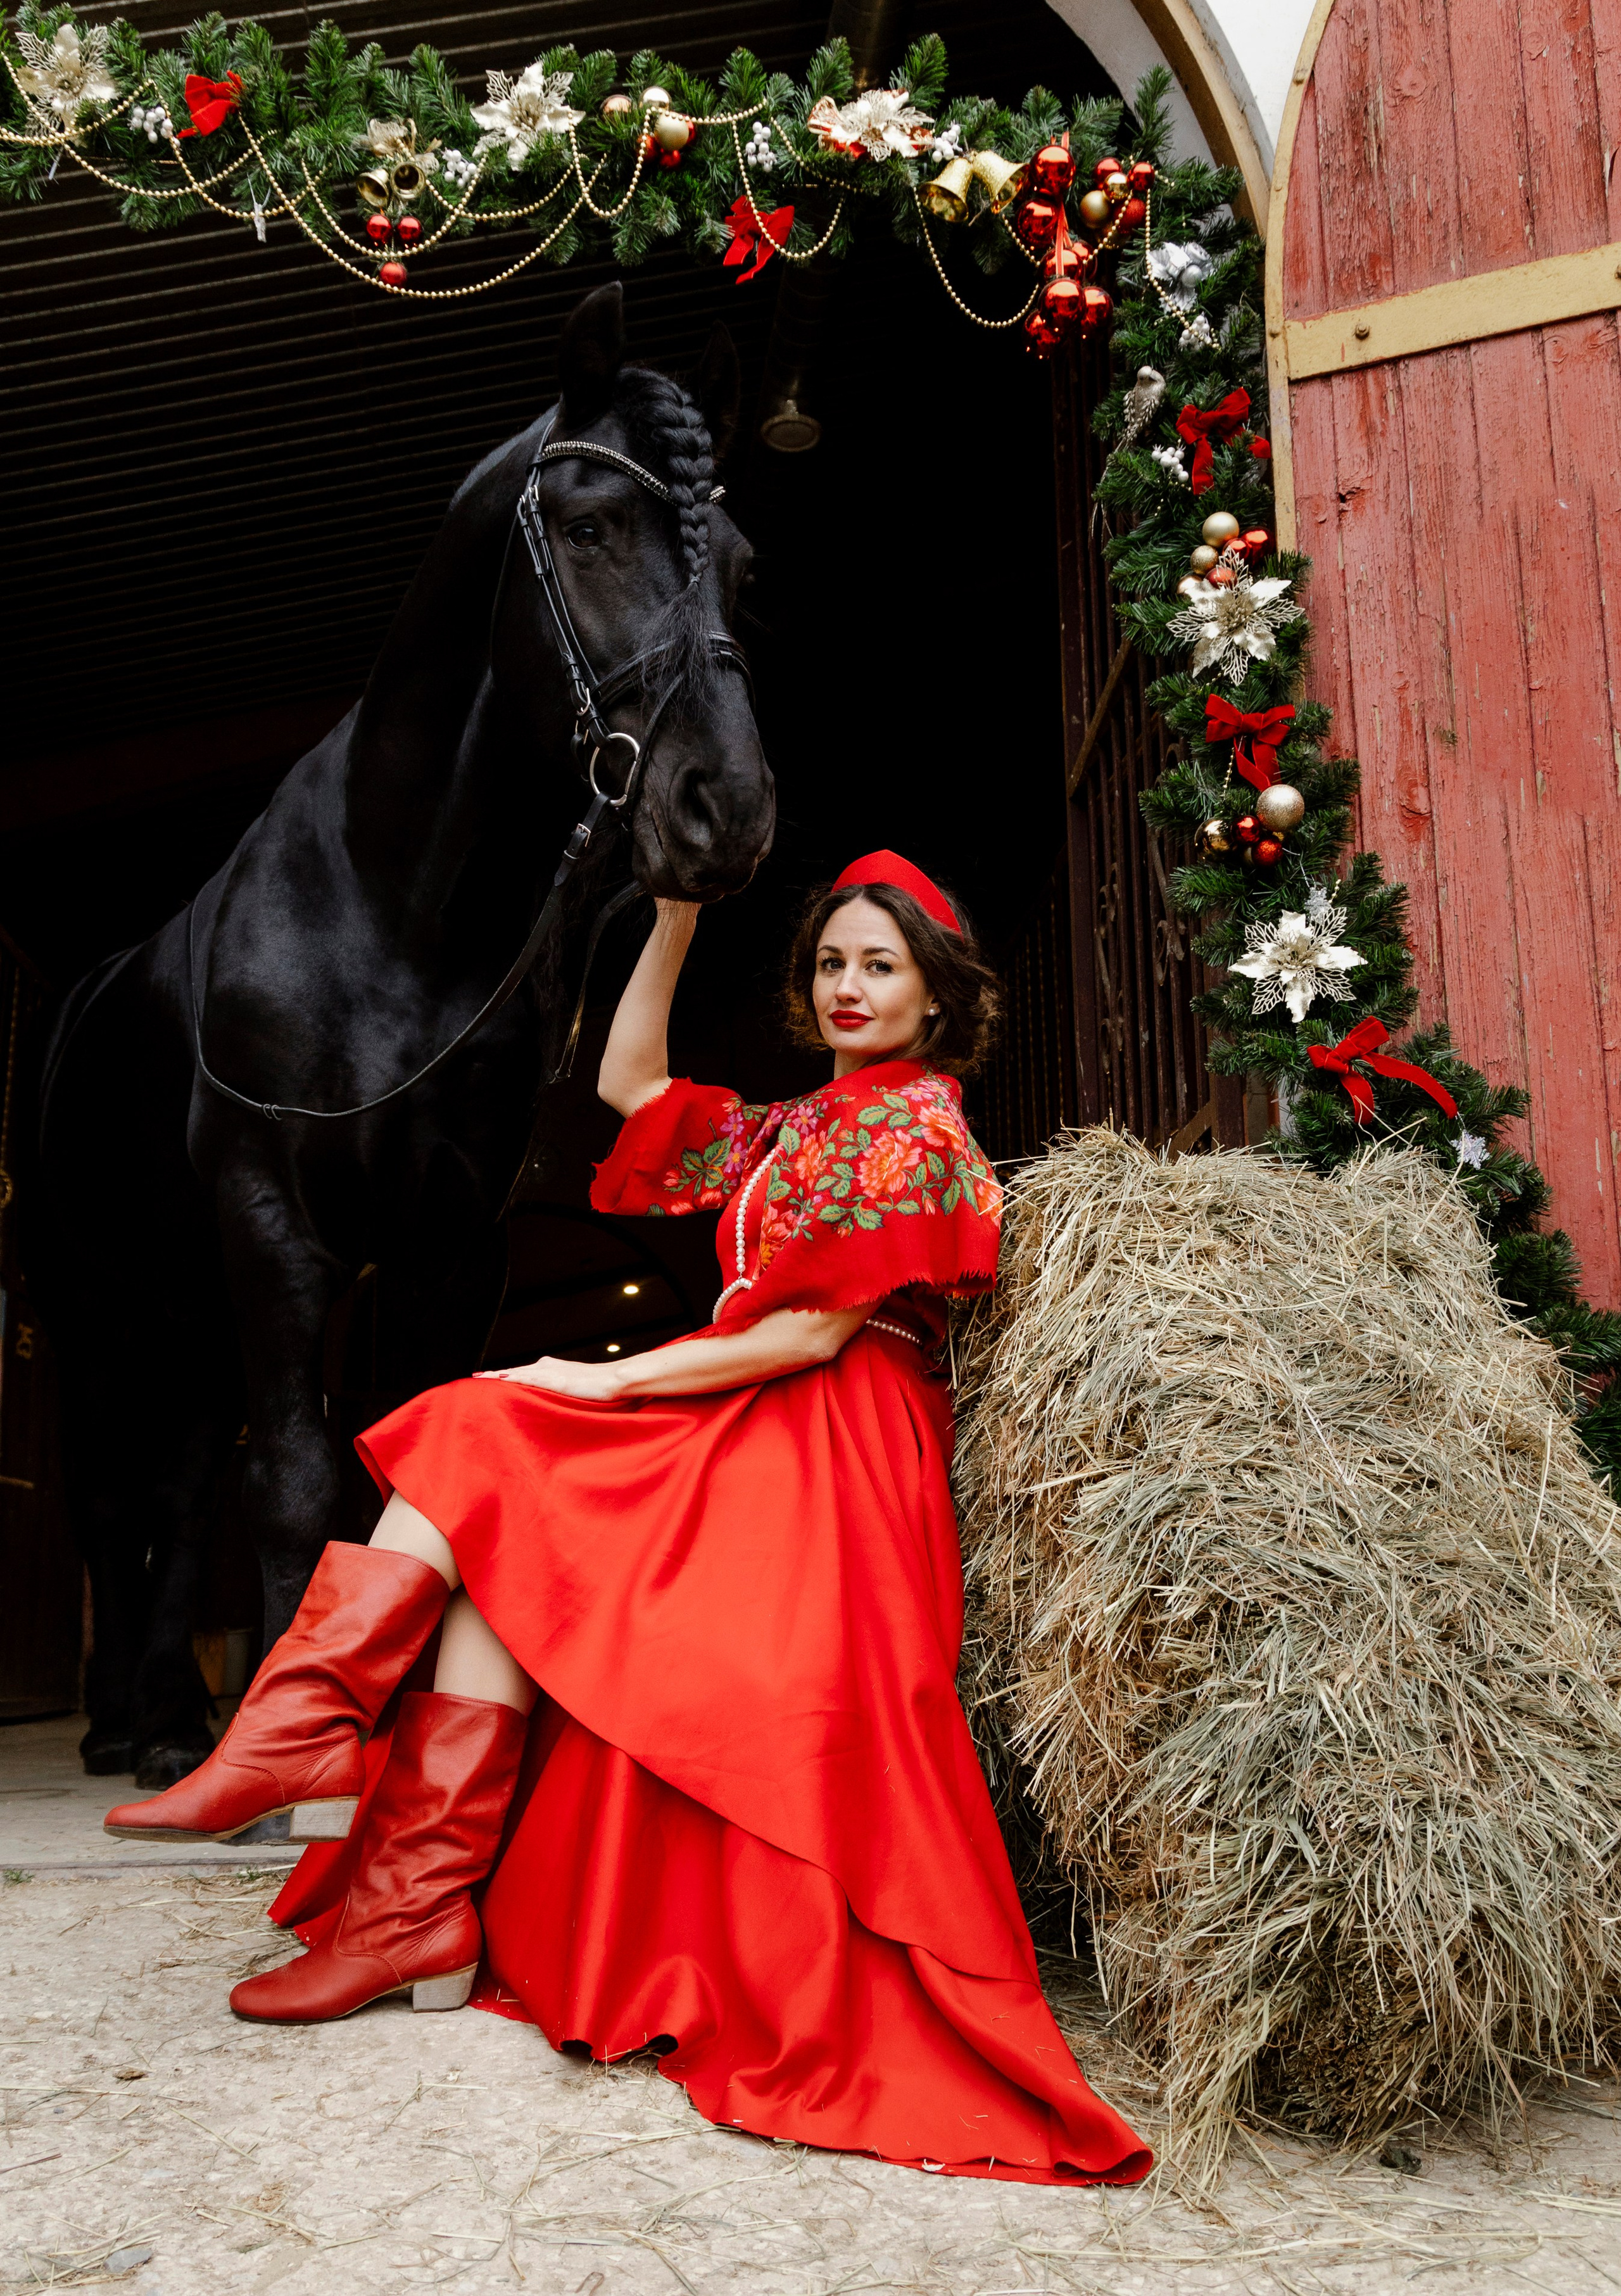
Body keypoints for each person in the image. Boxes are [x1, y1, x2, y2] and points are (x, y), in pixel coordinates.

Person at [106, 851, 1151, 2187]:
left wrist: (593, 1377)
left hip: (831, 1435)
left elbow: (812, 1335)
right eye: (829, 963)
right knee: (492, 1515)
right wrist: (669, 922)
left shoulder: (918, 1136)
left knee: (488, 1427)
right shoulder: (792, 1133)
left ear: (936, 997)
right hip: (747, 1408)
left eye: (878, 966)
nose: (847, 986)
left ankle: (315, 1750)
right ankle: (396, 1888)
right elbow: (628, 1090)